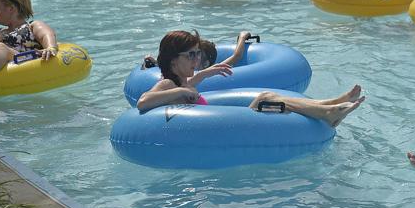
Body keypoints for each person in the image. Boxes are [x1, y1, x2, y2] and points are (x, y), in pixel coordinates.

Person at [136, 30, 365, 126]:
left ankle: (329, 105)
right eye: (192, 55)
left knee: (269, 96)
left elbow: (190, 86)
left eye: (198, 54)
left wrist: (205, 73)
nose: (197, 59)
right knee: (266, 97)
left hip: (230, 122)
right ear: (174, 59)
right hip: (230, 125)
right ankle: (326, 112)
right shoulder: (169, 84)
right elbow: (143, 101)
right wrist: (180, 91)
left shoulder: (183, 81)